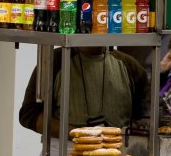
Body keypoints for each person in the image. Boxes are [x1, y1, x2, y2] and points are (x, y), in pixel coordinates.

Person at [19, 47, 149, 138]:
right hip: (66, 152)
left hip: (116, 154)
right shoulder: (55, 61)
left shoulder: (129, 65)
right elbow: (29, 115)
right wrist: (78, 134)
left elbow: (145, 115)